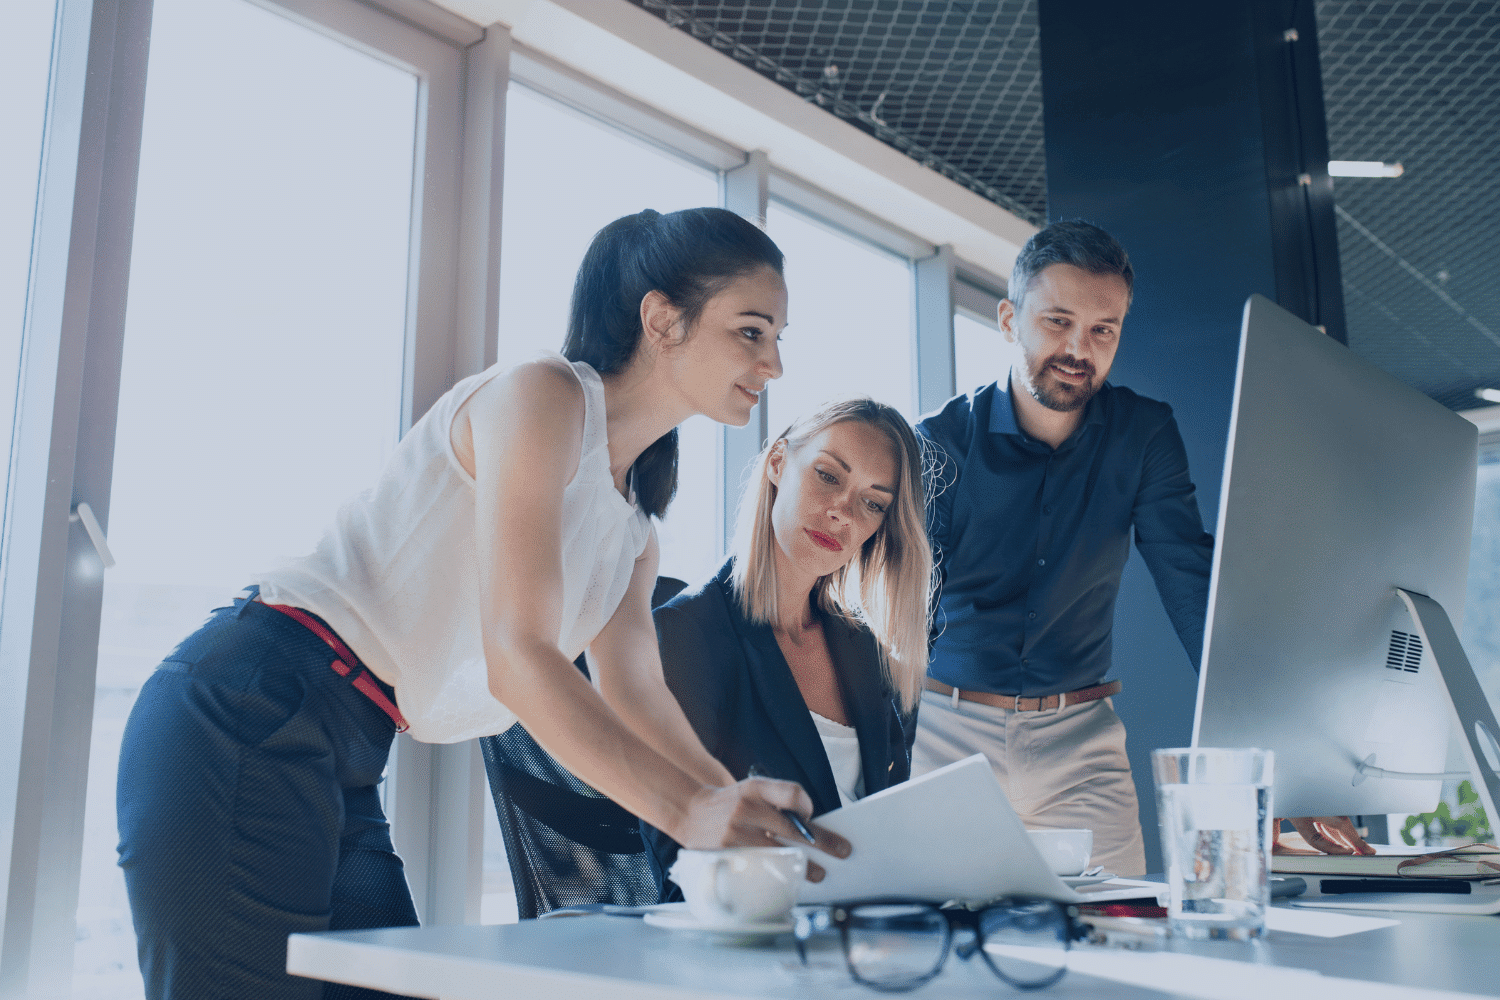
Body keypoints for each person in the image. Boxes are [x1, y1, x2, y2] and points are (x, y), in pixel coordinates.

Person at [115, 207, 849, 1000]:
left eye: (778, 337)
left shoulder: (634, 532)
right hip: (251, 702)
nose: (773, 362)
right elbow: (518, 658)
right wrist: (693, 813)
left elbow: (639, 698)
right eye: (751, 330)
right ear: (662, 318)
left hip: (353, 746)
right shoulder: (542, 396)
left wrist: (740, 819)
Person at [912, 219, 1370, 878]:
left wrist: (1283, 760)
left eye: (1104, 330)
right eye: (1058, 321)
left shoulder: (1144, 433)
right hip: (946, 734)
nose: (1079, 348)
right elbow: (905, 609)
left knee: (1123, 947)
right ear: (1010, 320)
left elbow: (1192, 586)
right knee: (935, 947)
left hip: (1080, 742)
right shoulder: (937, 441)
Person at [644, 398, 934, 889]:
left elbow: (888, 827)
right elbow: (679, 861)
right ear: (778, 462)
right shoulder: (685, 637)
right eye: (828, 475)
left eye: (872, 503)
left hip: (870, 927)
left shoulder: (867, 653)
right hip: (760, 931)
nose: (842, 512)